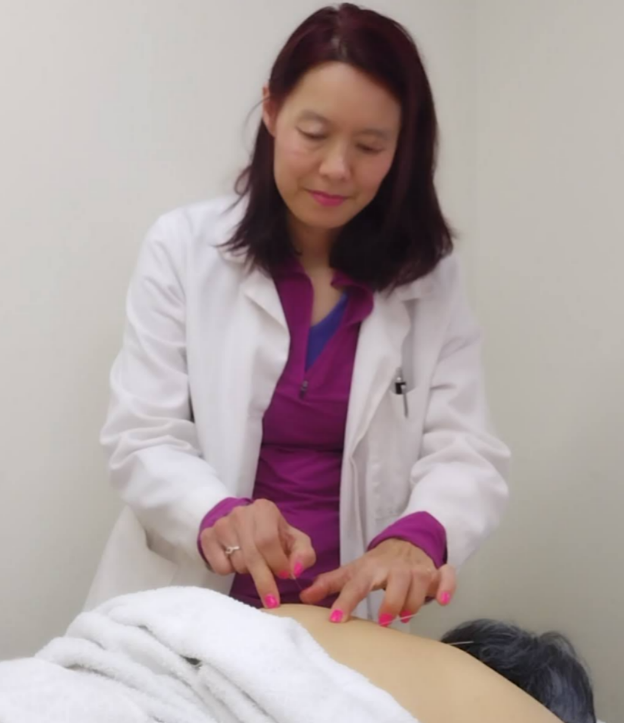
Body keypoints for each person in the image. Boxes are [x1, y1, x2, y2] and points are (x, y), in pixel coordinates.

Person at [87, 3, 510, 623]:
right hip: (189, 608)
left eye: (370, 146)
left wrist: (415, 538)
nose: (336, 168)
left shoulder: (429, 279)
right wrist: (216, 513)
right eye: (313, 134)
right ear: (271, 109)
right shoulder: (183, 248)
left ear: (402, 147)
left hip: (343, 620)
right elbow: (142, 435)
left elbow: (465, 450)